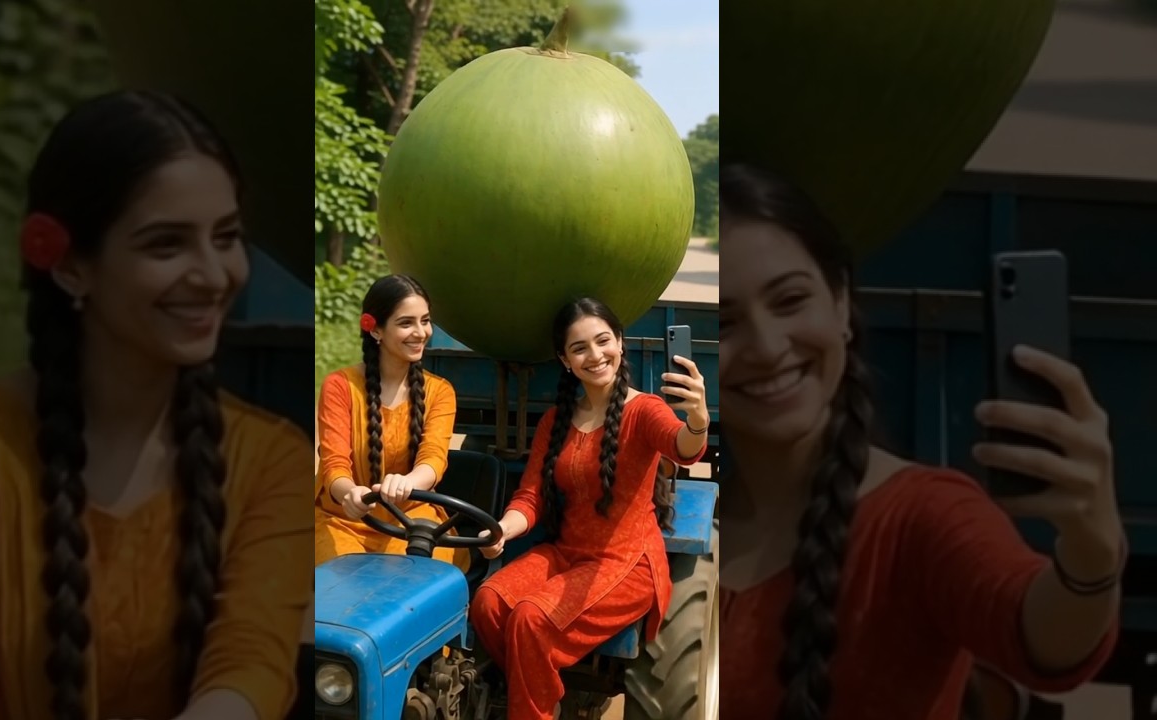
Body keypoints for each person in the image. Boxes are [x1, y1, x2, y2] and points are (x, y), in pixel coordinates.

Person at [0, 90, 312, 720]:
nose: (214, 275)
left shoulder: (272, 459)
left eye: (225, 238)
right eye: (166, 245)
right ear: (69, 266)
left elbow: (251, 664)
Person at [717, 161, 1124, 719]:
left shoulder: (923, 514)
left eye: (789, 301)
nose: (766, 347)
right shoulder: (677, 526)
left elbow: (1042, 636)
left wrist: (1093, 549)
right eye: (724, 323)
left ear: (842, 305)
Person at [468, 296, 710, 720]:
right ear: (565, 360)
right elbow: (531, 497)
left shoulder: (644, 410)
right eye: (579, 348)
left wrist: (698, 420)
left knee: (530, 618)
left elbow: (683, 447)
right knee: (488, 602)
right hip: (566, 553)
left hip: (625, 563)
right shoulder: (555, 420)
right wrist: (503, 529)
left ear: (620, 342)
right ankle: (546, 700)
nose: (595, 355)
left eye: (603, 341)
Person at [314, 274, 468, 570]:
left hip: (414, 521)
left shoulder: (440, 391)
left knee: (414, 581)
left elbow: (433, 459)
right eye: (406, 323)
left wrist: (408, 483)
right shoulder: (340, 386)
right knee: (343, 584)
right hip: (343, 520)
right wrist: (350, 494)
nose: (421, 332)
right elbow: (334, 464)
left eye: (425, 321)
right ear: (375, 329)